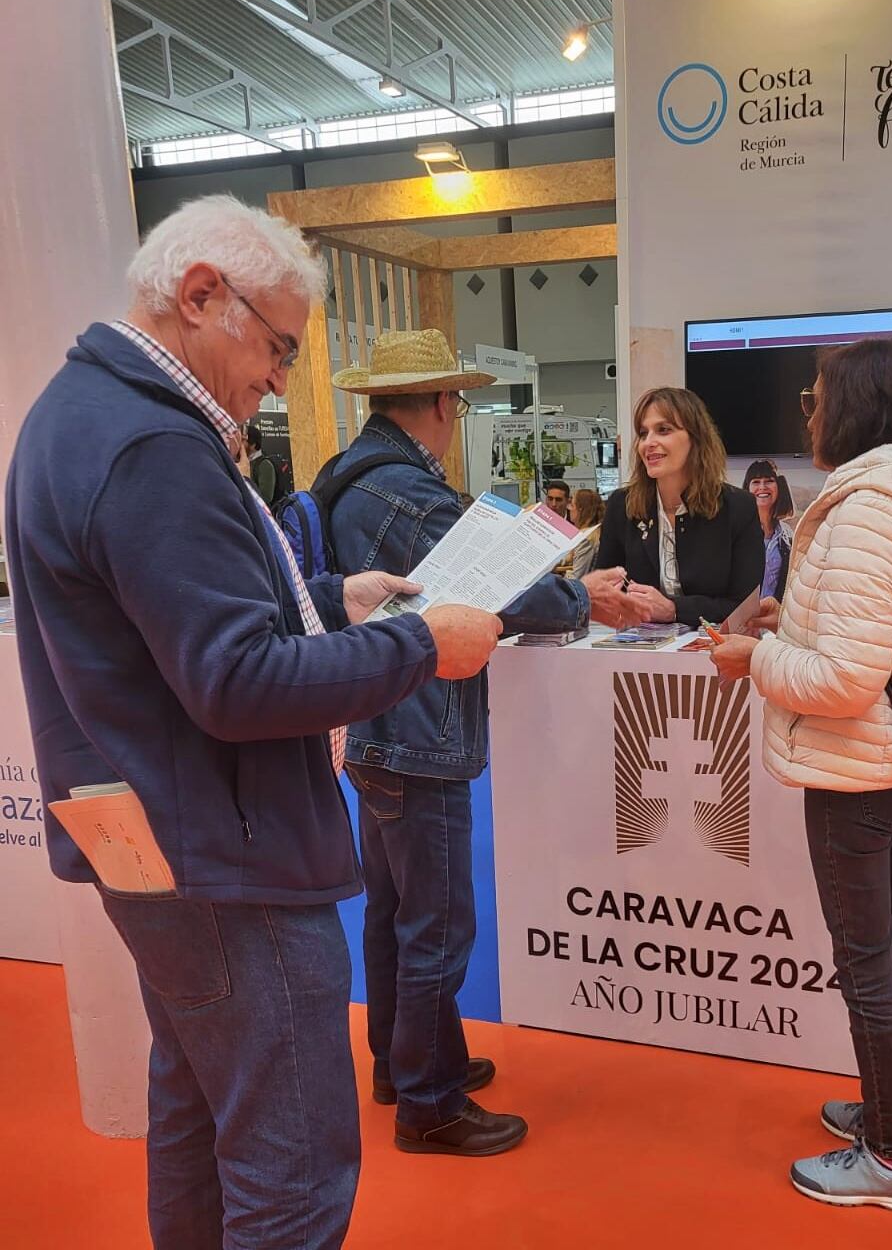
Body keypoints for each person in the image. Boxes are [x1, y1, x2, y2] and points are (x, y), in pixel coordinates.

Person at [3, 195, 503, 1250]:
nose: (281, 376)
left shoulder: (78, 414)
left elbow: (166, 629)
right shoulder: (155, 444)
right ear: (198, 297)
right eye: (277, 345)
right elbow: (233, 681)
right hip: (232, 862)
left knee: (197, 1115)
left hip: (161, 845)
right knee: (293, 1171)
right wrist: (421, 646)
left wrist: (327, 594)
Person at [327, 330, 647, 1157]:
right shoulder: (411, 495)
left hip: (370, 723)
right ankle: (428, 1102)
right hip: (420, 729)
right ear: (439, 404)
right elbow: (499, 599)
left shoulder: (347, 480)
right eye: (456, 404)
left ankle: (404, 1064)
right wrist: (581, 598)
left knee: (396, 911)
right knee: (436, 924)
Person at [710, 339, 892, 1214]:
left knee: (865, 962)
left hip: (855, 768)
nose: (809, 410)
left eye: (818, 394)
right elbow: (865, 645)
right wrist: (785, 624)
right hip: (890, 758)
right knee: (887, 951)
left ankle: (886, 1158)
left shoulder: (869, 511)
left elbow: (841, 680)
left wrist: (754, 657)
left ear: (858, 405)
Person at [595, 387, 764, 627]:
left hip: (713, 650)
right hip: (635, 650)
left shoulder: (738, 508)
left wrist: (674, 609)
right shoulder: (621, 505)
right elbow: (605, 588)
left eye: (663, 430)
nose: (648, 443)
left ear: (696, 438)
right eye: (643, 433)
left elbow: (744, 606)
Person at [742, 459, 794, 603]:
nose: (762, 487)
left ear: (779, 487)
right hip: (740, 619)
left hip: (772, 619)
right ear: (747, 489)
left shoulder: (788, 536)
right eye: (756, 482)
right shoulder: (737, 531)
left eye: (769, 481)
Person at [558, 487, 605, 580]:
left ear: (580, 509)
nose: (569, 509)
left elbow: (577, 578)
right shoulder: (592, 533)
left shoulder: (586, 539)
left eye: (572, 505)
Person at [245, 422, 277, 504]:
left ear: (253, 445)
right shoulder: (247, 462)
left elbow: (266, 497)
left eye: (243, 441)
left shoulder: (264, 465)